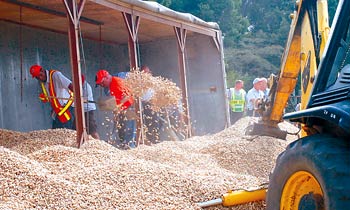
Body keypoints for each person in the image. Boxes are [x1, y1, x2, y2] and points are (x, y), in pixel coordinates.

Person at [95, 69, 136, 148]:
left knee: (129, 127)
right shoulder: (107, 88)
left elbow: (127, 96)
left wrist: (118, 106)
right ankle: (124, 144)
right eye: (100, 84)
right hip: (121, 108)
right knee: (120, 127)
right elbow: (113, 101)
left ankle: (130, 146)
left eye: (102, 83)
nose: (102, 85)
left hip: (129, 106)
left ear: (107, 77)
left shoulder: (119, 80)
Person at [29, 64, 75, 129]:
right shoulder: (43, 83)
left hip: (66, 108)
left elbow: (71, 86)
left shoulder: (56, 75)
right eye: (37, 77)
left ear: (42, 70)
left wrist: (78, 97)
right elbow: (51, 97)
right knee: (55, 133)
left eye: (40, 75)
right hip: (57, 111)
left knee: (66, 133)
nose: (40, 78)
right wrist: (45, 98)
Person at [81, 74, 100, 139]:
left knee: (92, 130)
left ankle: (99, 143)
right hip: (81, 111)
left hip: (88, 110)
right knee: (75, 129)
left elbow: (85, 100)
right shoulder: (78, 86)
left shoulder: (87, 87)